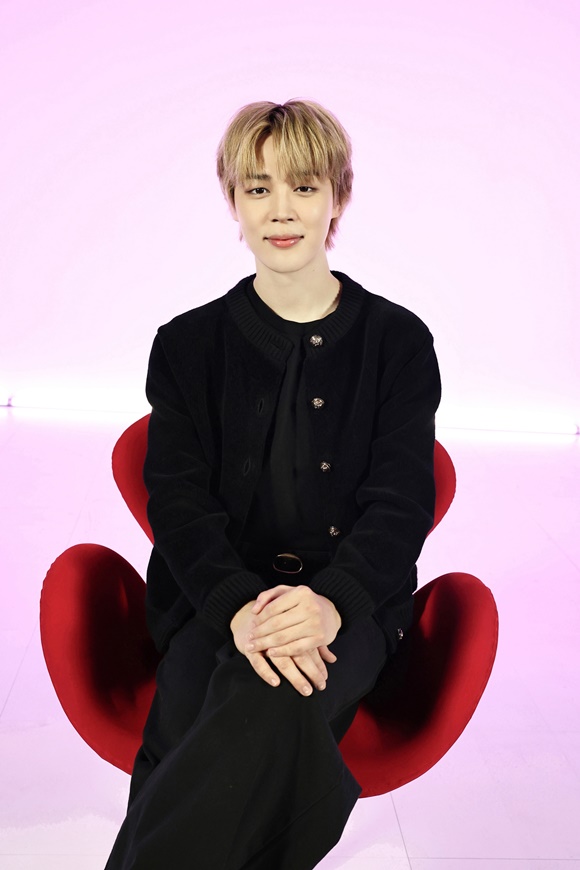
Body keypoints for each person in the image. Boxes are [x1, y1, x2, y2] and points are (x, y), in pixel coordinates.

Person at [104, 99, 441, 870]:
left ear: (338, 198)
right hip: (216, 599)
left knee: (265, 695)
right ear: (234, 201)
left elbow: (401, 505)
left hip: (352, 606)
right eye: (258, 189)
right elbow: (179, 504)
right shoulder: (186, 345)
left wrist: (331, 604)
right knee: (197, 701)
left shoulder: (397, 341)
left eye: (304, 186)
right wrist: (238, 609)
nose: (281, 211)